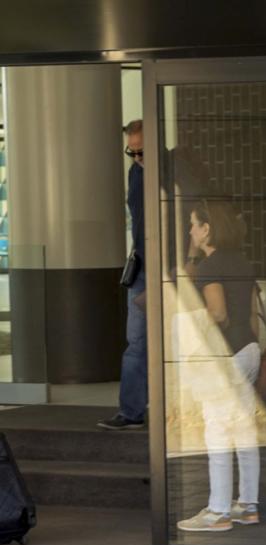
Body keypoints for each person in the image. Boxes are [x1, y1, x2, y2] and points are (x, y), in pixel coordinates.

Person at [175, 200, 262, 533]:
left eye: (194, 224)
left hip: (226, 356)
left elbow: (218, 314)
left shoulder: (212, 267)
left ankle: (218, 511)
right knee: (243, 431)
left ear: (207, 229)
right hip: (249, 349)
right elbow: (251, 315)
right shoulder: (241, 261)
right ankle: (247, 505)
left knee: (217, 432)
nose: (190, 230)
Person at [99, 120, 148, 430]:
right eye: (132, 152)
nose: (137, 157)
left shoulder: (171, 170)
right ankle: (131, 412)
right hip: (142, 266)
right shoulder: (136, 172)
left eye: (142, 151)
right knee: (137, 342)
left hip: (170, 268)